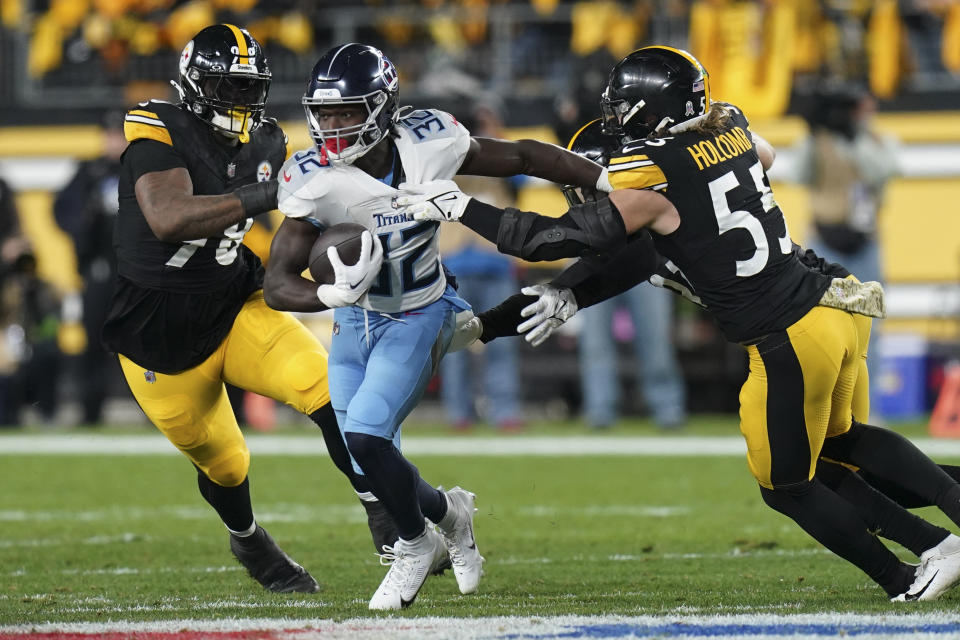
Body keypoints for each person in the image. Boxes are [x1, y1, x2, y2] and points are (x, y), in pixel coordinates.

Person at [395, 46, 960, 602]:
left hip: (786, 332)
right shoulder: (724, 132)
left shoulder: (650, 186)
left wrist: (460, 205)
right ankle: (939, 539)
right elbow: (753, 160)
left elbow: (556, 240)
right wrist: (493, 324)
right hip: (832, 305)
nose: (586, 198)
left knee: (787, 485)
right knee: (837, 449)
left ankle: (909, 572)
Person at [262, 43, 606, 609]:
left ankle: (416, 544)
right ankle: (452, 514)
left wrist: (610, 184)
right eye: (324, 114)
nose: (332, 126)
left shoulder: (430, 143)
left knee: (370, 435)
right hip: (355, 320)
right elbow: (277, 281)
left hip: (420, 312)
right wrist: (329, 293)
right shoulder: (314, 178)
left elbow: (521, 156)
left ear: (382, 107)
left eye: (347, 112)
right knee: (360, 457)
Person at [101, 24, 397, 595]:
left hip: (236, 302)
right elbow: (169, 217)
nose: (240, 102)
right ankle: (249, 539)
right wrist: (269, 193)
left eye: (248, 88)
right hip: (156, 337)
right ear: (193, 85)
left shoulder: (267, 141)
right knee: (227, 465)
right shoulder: (158, 128)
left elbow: (301, 217)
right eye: (227, 88)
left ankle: (384, 511)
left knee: (328, 390)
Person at [796, 85, 898, 421]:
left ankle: (870, 411)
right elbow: (800, 175)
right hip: (824, 242)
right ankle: (824, 407)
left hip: (864, 242)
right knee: (822, 327)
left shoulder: (877, 141)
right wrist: (813, 133)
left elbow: (882, 171)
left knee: (871, 331)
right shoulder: (818, 141)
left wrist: (852, 138)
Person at [439, 104, 523, 432]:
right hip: (454, 262)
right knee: (455, 347)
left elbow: (521, 174)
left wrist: (495, 134)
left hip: (495, 261)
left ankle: (506, 411)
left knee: (501, 343)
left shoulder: (499, 155)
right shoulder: (445, 156)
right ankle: (459, 414)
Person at [53, 110, 126, 426]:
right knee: (94, 341)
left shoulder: (140, 169)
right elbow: (62, 211)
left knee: (142, 342)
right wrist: (84, 223)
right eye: (109, 135)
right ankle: (90, 410)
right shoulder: (89, 172)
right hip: (97, 269)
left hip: (133, 272)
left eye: (119, 135)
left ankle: (158, 412)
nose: (114, 141)